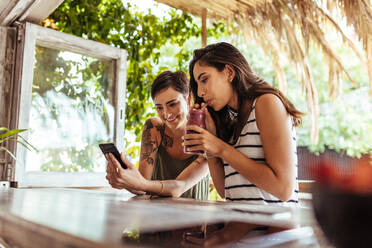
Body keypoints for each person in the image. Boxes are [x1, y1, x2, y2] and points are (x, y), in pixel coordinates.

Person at [183, 42, 303, 245]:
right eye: (198, 84)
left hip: (275, 238)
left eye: (205, 80)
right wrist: (211, 147)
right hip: (239, 235)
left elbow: (283, 189)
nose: (201, 92)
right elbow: (225, 191)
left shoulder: (266, 102)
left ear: (229, 72)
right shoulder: (232, 122)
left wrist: (220, 148)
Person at [105, 71, 209, 200]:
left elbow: (178, 187)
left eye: (172, 104)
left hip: (196, 216)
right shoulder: (154, 128)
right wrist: (124, 180)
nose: (166, 114)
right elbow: (142, 187)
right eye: (159, 107)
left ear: (188, 99)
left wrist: (138, 183)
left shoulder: (207, 133)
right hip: (156, 215)